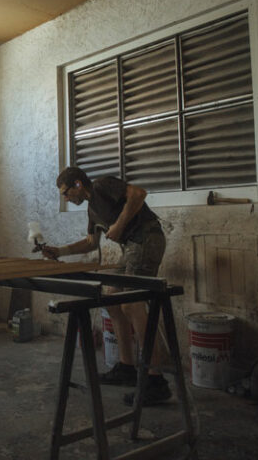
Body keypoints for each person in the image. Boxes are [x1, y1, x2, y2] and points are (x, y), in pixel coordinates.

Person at [41, 166, 170, 406]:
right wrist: (59, 251)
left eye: (66, 193)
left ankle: (156, 380)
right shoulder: (92, 210)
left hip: (146, 239)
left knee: (132, 304)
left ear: (78, 184)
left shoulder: (101, 186)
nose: (66, 198)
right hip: (131, 247)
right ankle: (126, 367)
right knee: (111, 297)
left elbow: (139, 194)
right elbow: (91, 243)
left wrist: (120, 224)